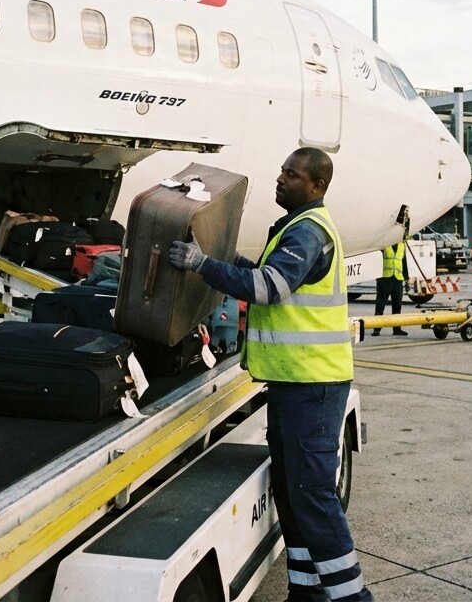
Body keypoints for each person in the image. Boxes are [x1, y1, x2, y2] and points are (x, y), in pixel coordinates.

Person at [168, 147, 372, 602]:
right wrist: (223, 259)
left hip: (312, 387)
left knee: (312, 495)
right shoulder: (296, 227)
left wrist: (202, 265)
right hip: (293, 383)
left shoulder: (308, 231)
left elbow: (268, 288)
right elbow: (266, 274)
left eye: (291, 175)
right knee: (292, 492)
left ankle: (353, 598)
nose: (280, 179)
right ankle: (306, 593)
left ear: (316, 186)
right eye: (281, 171)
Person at [372, 206, 409, 337]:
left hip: (397, 279)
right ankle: (377, 328)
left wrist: (406, 278)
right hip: (385, 278)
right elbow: (377, 260)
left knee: (397, 304)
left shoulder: (401, 245)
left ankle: (396, 328)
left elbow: (404, 262)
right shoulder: (384, 245)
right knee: (381, 303)